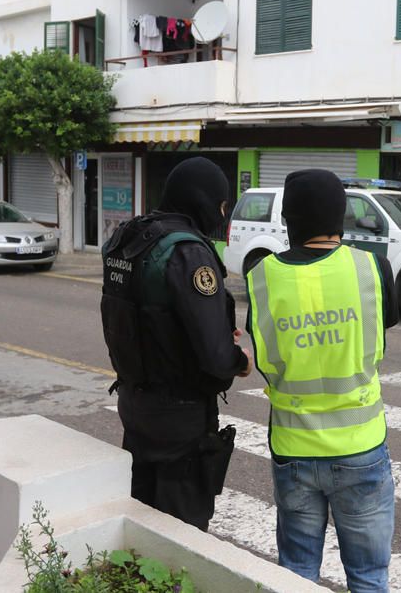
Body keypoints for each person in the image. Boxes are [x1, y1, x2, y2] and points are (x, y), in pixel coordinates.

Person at [246, 169, 399, 593]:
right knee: (369, 577)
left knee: (296, 574)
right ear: (341, 216)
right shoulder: (373, 267)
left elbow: (261, 353)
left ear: (287, 219)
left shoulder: (260, 277)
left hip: (293, 450)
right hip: (361, 448)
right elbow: (386, 324)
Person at [100, 157, 252, 532]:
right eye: (221, 204)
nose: (222, 214)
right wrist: (240, 360)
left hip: (135, 405)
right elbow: (217, 359)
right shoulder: (188, 252)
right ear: (201, 199)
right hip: (179, 422)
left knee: (139, 524)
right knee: (180, 538)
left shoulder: (130, 238)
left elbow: (148, 320)